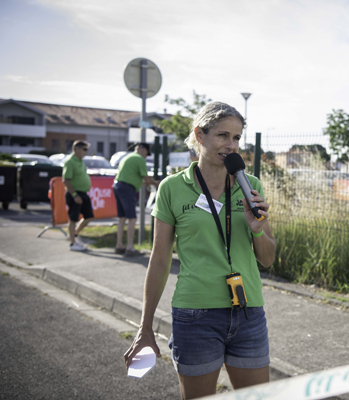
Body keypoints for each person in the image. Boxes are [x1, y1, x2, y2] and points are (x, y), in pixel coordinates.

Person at [124, 102, 276, 399]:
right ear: (199, 135)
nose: (231, 145)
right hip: (195, 316)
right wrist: (145, 327)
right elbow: (159, 259)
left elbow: (268, 259)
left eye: (236, 137)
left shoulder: (250, 185)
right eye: (222, 135)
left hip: (248, 313)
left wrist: (257, 229)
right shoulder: (172, 188)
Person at [112, 143, 159, 256]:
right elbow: (147, 179)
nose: (146, 156)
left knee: (122, 218)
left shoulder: (127, 157)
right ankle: (130, 247)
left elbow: (133, 178)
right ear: (143, 150)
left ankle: (119, 245)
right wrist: (156, 183)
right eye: (146, 153)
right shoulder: (139, 159)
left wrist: (147, 183)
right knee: (132, 218)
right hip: (127, 189)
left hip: (118, 186)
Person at [62, 140, 94, 252]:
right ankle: (72, 243)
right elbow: (66, 180)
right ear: (77, 149)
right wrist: (75, 195)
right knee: (73, 219)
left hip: (83, 193)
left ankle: (74, 234)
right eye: (84, 149)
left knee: (89, 216)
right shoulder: (70, 161)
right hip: (75, 194)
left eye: (87, 149)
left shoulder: (80, 161)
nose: (86, 152)